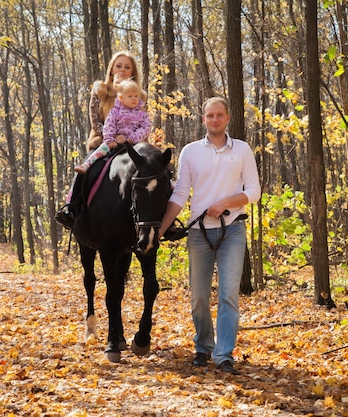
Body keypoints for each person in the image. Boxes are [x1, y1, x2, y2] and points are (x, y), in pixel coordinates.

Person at [159, 97, 261, 375]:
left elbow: (254, 192)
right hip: (198, 233)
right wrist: (160, 229)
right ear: (203, 119)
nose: (214, 120)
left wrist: (226, 203)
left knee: (229, 294)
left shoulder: (241, 149)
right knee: (199, 297)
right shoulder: (191, 152)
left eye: (219, 115)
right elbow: (180, 194)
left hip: (233, 230)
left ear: (228, 117)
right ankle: (203, 346)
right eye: (209, 116)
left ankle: (224, 354)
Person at [64, 51, 145, 226]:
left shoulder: (139, 95)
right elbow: (95, 121)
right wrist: (112, 138)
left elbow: (143, 122)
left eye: (127, 67)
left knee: (155, 169)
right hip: (104, 140)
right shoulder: (100, 90)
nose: (122, 70)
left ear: (132, 72)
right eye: (118, 66)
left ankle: (166, 219)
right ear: (111, 69)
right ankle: (71, 207)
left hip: (132, 143)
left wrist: (130, 138)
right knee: (87, 168)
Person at [74, 79, 151, 174]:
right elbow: (109, 125)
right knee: (102, 149)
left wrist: (132, 138)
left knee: (152, 157)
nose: (134, 98)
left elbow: (146, 128)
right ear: (121, 98)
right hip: (116, 141)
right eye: (130, 96)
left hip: (135, 143)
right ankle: (87, 165)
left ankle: (167, 179)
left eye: (136, 96)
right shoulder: (115, 112)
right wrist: (110, 139)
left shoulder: (142, 114)